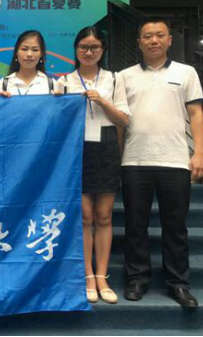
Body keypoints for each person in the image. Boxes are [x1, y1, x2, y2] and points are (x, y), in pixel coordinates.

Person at [120, 18, 203, 309]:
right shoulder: (124, 76)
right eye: (147, 36)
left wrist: (200, 153)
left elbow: (196, 115)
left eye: (159, 35)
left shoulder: (187, 72)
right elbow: (119, 122)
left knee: (175, 227)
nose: (153, 40)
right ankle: (136, 279)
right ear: (139, 42)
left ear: (169, 40)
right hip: (134, 160)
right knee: (135, 225)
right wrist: (118, 156)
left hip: (176, 160)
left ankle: (178, 283)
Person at [59, 26, 130, 304]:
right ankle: (87, 275)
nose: (89, 52)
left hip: (107, 148)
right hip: (77, 151)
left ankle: (102, 276)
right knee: (85, 216)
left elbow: (123, 119)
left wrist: (102, 101)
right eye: (83, 47)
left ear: (102, 50)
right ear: (76, 50)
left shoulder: (114, 79)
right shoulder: (64, 81)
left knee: (104, 216)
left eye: (95, 47)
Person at [0, 30, 54, 97]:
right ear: (16, 52)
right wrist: (0, 99)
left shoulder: (51, 84)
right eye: (24, 49)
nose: (29, 54)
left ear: (41, 54)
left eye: (35, 50)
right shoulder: (3, 84)